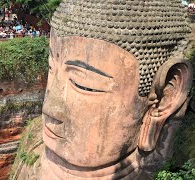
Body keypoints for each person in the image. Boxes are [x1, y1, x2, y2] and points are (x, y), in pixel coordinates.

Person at [13, 0, 193, 179]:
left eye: (83, 84)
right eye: (51, 69)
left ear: (164, 99)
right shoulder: (33, 146)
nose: (49, 109)